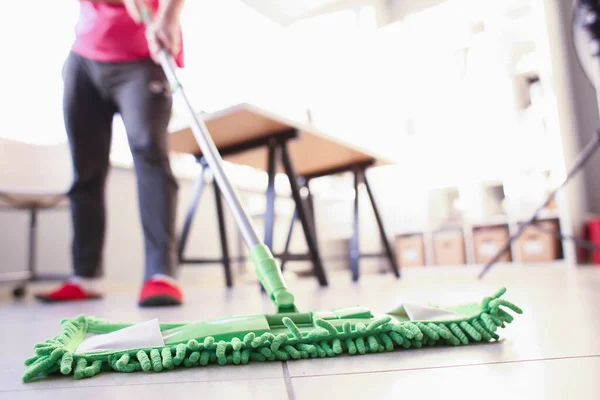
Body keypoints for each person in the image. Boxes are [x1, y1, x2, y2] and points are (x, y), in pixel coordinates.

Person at [35, 0, 185, 307]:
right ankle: (85, 276)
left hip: (144, 53)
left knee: (150, 157)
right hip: (86, 55)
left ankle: (160, 275)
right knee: (84, 167)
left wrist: (169, 14)